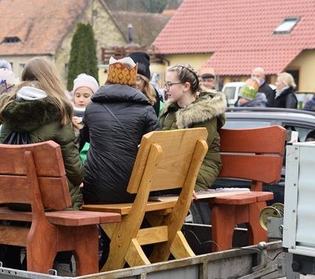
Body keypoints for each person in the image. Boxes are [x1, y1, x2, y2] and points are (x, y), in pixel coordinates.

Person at [0, 57, 83, 208]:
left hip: (15, 198)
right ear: (52, 79)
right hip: (51, 201)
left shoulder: (7, 111)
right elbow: (75, 171)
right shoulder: (59, 112)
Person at [80, 56, 159, 204]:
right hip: (134, 192)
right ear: (133, 83)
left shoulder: (91, 108)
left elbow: (78, 143)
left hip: (95, 190)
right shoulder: (146, 109)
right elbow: (160, 148)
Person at [159, 63, 226, 191]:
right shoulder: (170, 111)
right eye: (165, 84)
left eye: (169, 84)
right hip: (174, 167)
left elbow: (194, 150)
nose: (165, 89)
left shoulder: (205, 112)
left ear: (186, 86)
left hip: (199, 169)